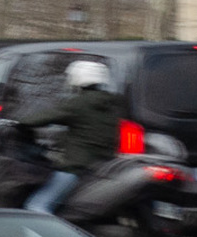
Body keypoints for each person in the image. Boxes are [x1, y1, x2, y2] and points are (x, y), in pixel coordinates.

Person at [13, 61, 125, 213]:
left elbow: (40, 118)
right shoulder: (112, 104)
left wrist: (18, 123)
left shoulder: (79, 103)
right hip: (104, 165)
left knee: (37, 206)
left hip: (76, 167)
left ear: (78, 78)